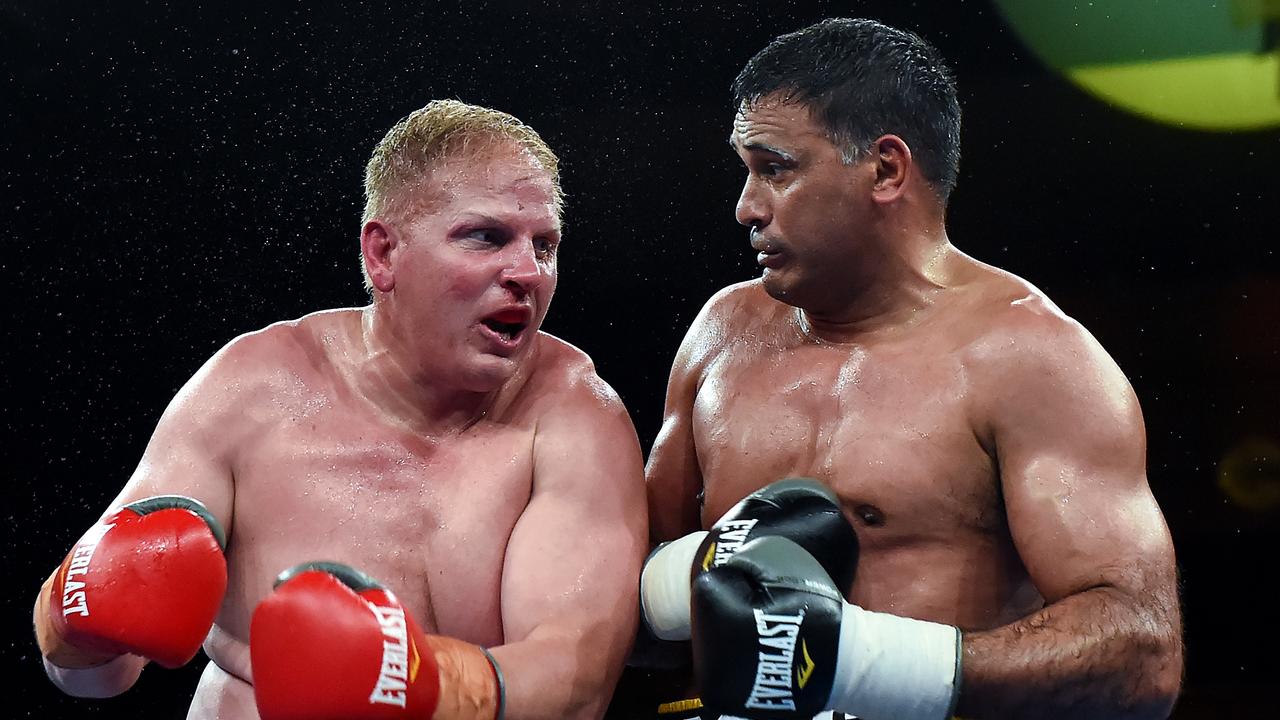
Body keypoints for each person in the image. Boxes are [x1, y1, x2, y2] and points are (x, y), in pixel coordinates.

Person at [33, 99, 648, 720]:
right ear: (382, 254)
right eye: (486, 237)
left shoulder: (571, 414)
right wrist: (71, 620)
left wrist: (413, 680)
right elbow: (95, 675)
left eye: (545, 245)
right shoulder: (254, 388)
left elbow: (577, 681)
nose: (527, 272)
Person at [642, 18, 1183, 720]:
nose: (746, 206)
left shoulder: (1032, 359)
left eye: (775, 169)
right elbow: (618, 602)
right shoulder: (724, 333)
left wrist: (864, 662)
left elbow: (1143, 655)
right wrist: (685, 579)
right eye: (746, 171)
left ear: (886, 170)